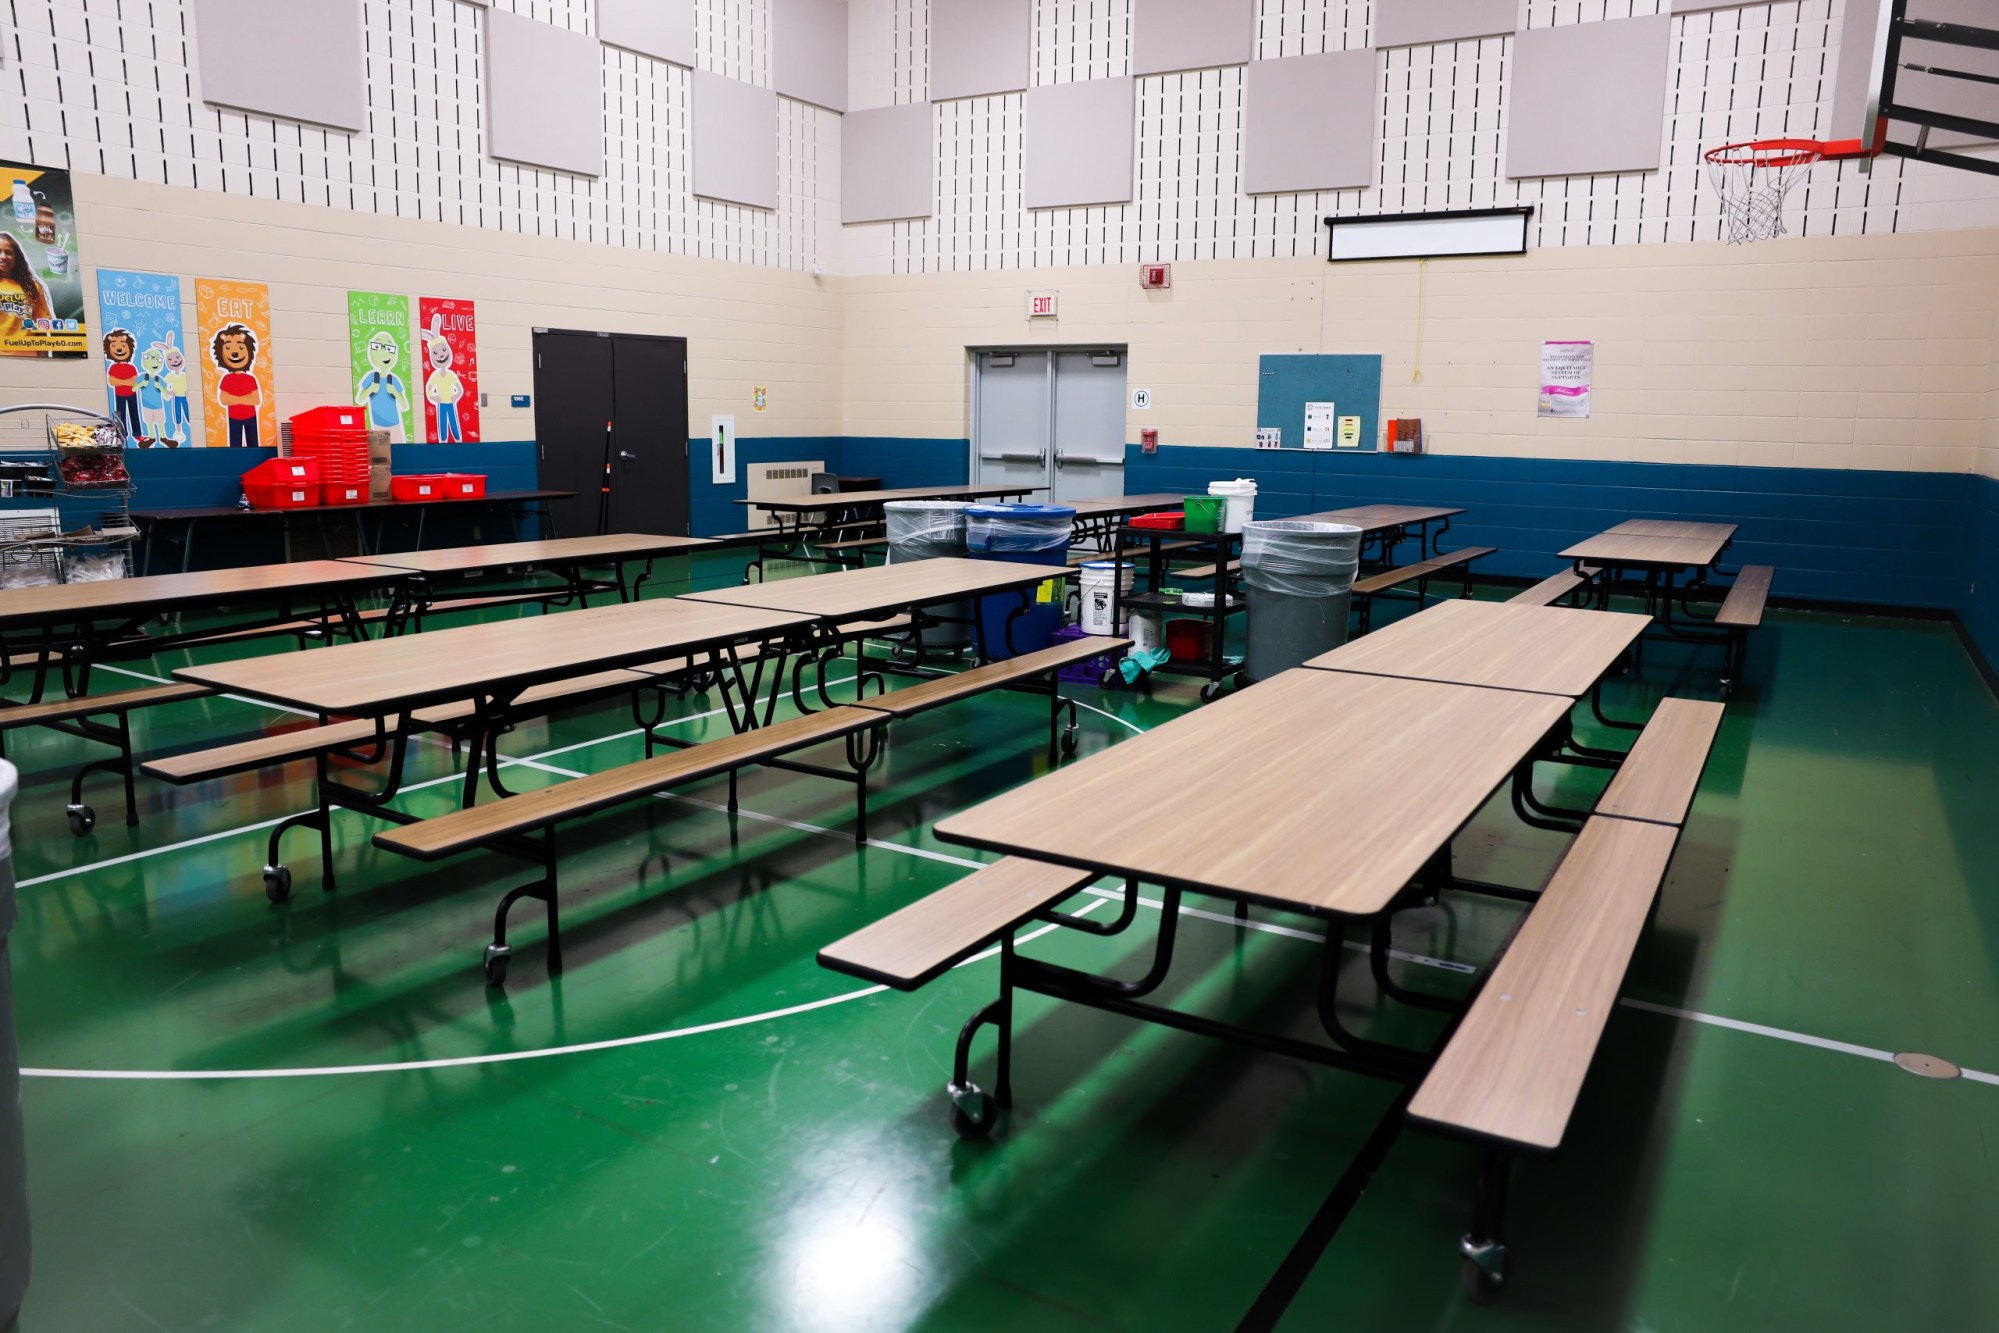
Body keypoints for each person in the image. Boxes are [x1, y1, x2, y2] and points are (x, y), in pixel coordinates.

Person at [211, 323, 263, 448]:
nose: (235, 353)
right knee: (235, 446)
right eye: (228, 348)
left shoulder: (250, 379)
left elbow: (256, 400)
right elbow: (224, 400)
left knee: (253, 445)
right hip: (234, 417)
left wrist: (234, 399)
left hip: (250, 416)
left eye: (240, 348)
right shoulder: (227, 379)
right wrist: (245, 399)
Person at [0, 233, 53, 353]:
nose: (3, 256)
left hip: (28, 357)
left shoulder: (32, 287)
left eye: (8, 252)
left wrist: (44, 360)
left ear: (16, 257)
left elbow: (42, 326)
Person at [102, 327, 142, 438]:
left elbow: (134, 382)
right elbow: (112, 381)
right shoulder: (113, 367)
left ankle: (137, 433)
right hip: (119, 394)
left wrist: (121, 382)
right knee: (121, 414)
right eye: (114, 346)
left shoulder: (131, 367)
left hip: (132, 394)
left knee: (134, 413)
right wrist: (125, 381)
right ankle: (122, 433)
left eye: (123, 345)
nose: (119, 349)